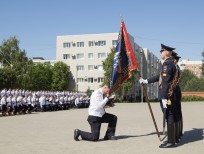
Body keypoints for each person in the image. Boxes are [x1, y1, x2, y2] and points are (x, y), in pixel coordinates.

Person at [140, 44, 178, 148]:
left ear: (166, 52)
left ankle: (171, 141)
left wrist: (165, 97)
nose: (160, 53)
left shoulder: (167, 64)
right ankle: (171, 139)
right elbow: (159, 76)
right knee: (168, 116)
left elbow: (165, 81)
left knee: (169, 116)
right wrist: (146, 81)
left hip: (167, 96)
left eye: (161, 51)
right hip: (168, 95)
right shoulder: (167, 64)